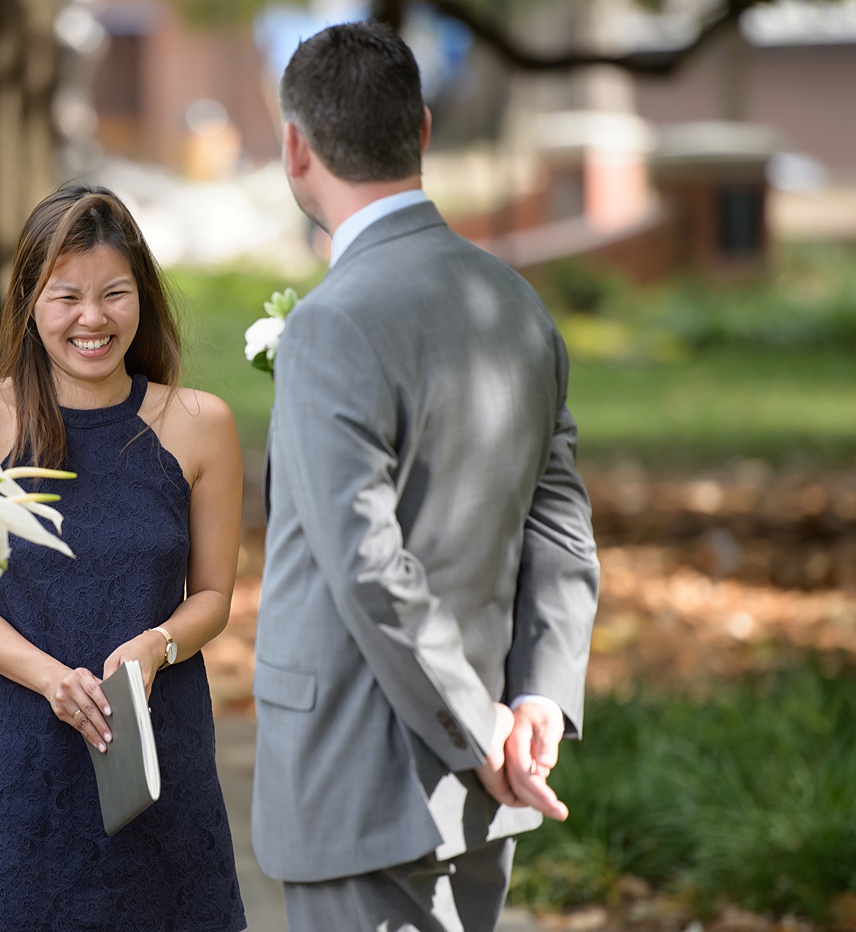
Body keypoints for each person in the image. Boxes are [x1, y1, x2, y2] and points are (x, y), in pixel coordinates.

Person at [251, 22, 600, 932]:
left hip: (363, 782)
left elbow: (368, 562)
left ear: (296, 146)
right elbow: (560, 525)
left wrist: (479, 727)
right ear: (424, 132)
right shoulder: (514, 302)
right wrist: (538, 701)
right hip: (488, 780)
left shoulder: (332, 324)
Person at [0, 184, 247, 932]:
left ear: (143, 297)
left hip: (159, 756)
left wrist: (155, 647)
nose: (92, 319)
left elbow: (212, 597)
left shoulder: (200, 424)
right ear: (28, 300)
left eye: (114, 294)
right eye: (65, 296)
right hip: (20, 763)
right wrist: (49, 679)